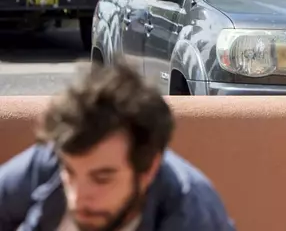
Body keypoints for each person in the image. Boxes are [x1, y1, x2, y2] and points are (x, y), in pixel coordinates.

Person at [0, 59, 236, 231]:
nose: (77, 198)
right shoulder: (51, 161)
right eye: (69, 173)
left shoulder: (192, 213)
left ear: (148, 169)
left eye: (102, 178)